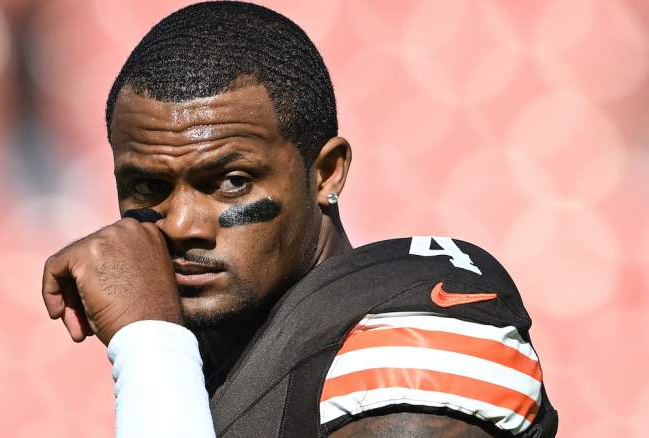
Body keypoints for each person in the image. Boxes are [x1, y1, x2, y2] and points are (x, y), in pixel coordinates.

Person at [40, 2, 558, 437]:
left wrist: (150, 348)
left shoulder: (407, 356)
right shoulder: (233, 357)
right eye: (148, 187)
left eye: (231, 181)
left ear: (326, 173)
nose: (181, 225)